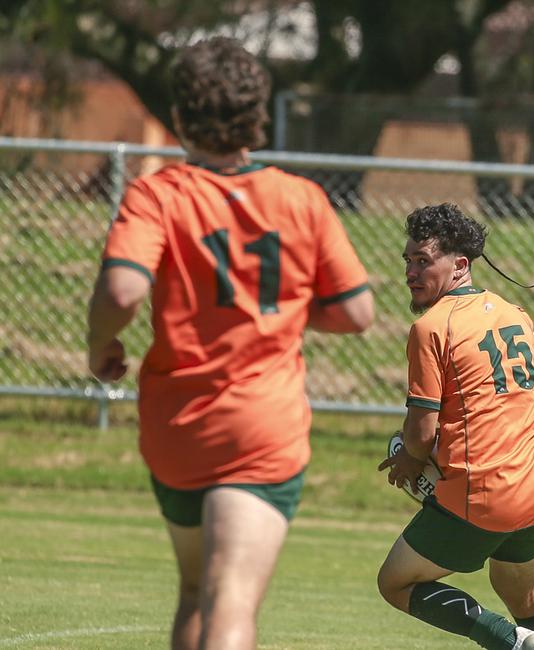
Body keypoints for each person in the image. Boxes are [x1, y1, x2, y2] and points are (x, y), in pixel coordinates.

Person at [87, 36, 373, 650]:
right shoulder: (301, 199)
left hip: (177, 425)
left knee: (195, 592)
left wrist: (98, 347)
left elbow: (121, 292)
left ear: (181, 118)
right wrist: (288, 310)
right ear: (259, 117)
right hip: (260, 427)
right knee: (232, 599)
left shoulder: (157, 194)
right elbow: (356, 312)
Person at [377, 203, 534, 650]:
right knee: (523, 595)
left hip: (482, 496)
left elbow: (421, 437)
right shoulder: (512, 312)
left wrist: (408, 461)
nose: (412, 272)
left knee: (395, 584)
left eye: (424, 261)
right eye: (408, 260)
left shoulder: (431, 328)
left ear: (460, 265)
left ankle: (509, 641)